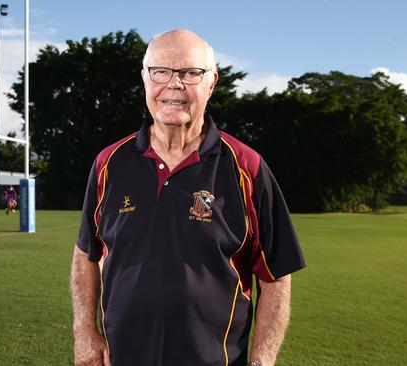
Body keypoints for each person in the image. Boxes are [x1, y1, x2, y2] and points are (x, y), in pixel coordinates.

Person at [71, 29, 306, 366]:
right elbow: (85, 253)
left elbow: (276, 275)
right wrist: (84, 330)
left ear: (212, 82)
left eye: (190, 73)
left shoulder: (247, 167)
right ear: (144, 79)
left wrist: (262, 361)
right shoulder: (109, 163)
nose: (174, 84)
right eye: (160, 72)